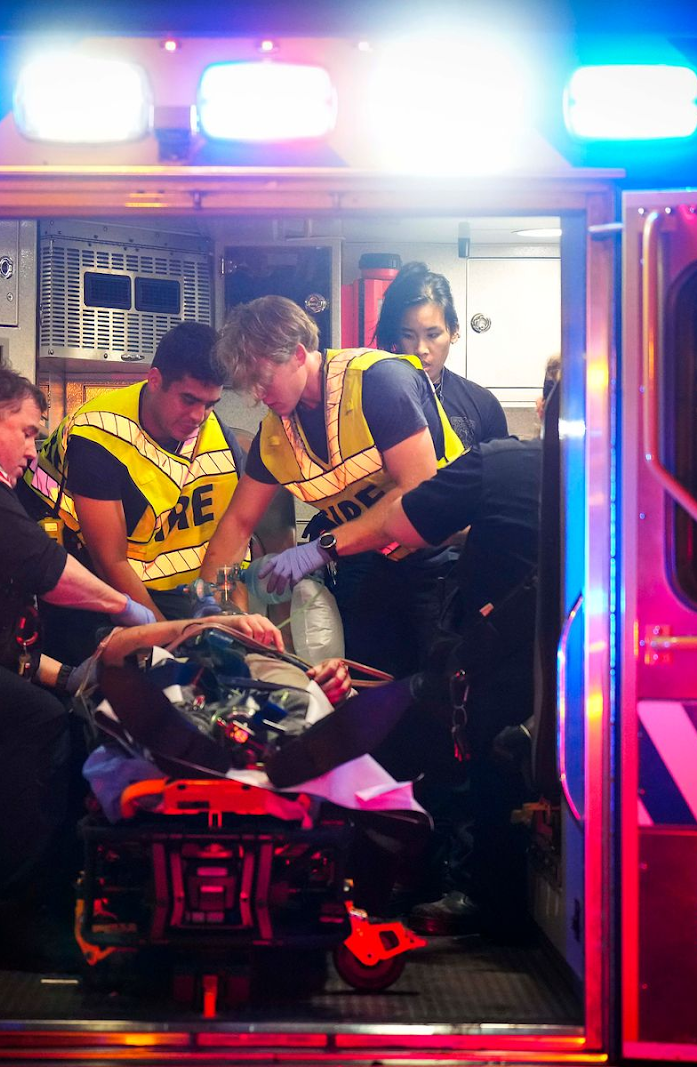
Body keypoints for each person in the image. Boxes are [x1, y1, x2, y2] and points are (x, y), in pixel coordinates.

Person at [0, 366, 158, 969]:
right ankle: (16, 920)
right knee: (36, 721)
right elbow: (43, 567)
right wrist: (126, 608)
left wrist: (64, 676)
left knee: (61, 707)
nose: (34, 449)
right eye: (29, 432)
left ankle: (64, 896)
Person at [288, 434, 544, 937]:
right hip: (582, 666)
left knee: (391, 736)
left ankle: (391, 886)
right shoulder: (620, 475)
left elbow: (405, 522)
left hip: (494, 665)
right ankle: (469, 887)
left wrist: (321, 547)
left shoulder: (503, 462)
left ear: (543, 409)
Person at [199, 295, 467, 677]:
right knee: (369, 684)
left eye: (263, 379)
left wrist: (320, 549)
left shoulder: (377, 382)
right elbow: (237, 524)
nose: (257, 395)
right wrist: (218, 602)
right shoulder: (274, 436)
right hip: (374, 561)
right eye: (249, 386)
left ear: (298, 353)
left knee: (443, 687)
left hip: (444, 556)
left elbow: (418, 492)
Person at [25, 323, 243, 661]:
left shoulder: (222, 441)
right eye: (188, 399)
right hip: (80, 570)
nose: (198, 416)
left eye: (210, 404)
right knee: (103, 673)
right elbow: (110, 561)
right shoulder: (99, 434)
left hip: (172, 587)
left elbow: (232, 542)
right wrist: (168, 643)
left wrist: (223, 622)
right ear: (155, 380)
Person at [375, 262, 508, 450]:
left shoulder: (483, 404)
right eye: (408, 335)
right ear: (396, 336)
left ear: (454, 331)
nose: (421, 349)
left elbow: (499, 467)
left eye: (432, 335)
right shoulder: (374, 399)